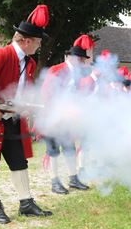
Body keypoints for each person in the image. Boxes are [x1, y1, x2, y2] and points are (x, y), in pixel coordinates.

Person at [0, 4, 52, 224]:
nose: (39, 45)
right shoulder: (0, 55)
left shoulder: (29, 63)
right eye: (38, 41)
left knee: (19, 161)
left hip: (12, 119)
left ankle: (26, 203)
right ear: (26, 41)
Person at [40, 34, 94, 195]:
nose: (83, 62)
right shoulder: (56, 70)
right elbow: (46, 94)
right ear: (72, 58)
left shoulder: (77, 75)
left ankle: (73, 179)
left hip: (67, 117)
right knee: (53, 150)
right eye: (81, 59)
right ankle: (54, 182)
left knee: (70, 148)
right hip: (52, 117)